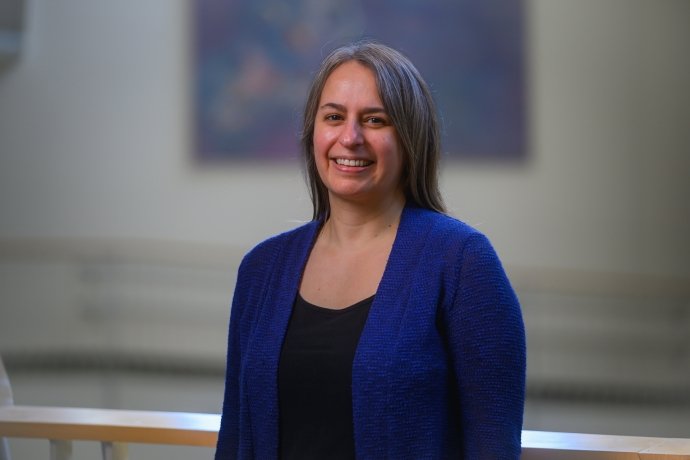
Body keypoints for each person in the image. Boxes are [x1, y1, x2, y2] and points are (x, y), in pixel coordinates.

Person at [215, 40, 525, 459]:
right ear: (313, 133)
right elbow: (235, 439)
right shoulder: (261, 270)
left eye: (375, 120)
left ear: (410, 137)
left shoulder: (463, 263)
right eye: (334, 117)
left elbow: (493, 447)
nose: (350, 137)